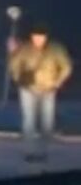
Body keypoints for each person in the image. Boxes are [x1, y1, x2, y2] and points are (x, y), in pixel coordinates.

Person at [8, 23, 72, 162]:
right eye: (36, 37)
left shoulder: (55, 49)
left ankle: (43, 151)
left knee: (47, 121)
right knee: (29, 121)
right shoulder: (25, 49)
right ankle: (29, 151)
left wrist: (57, 82)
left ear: (46, 37)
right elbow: (14, 65)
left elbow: (66, 66)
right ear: (32, 37)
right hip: (28, 89)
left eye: (41, 37)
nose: (38, 39)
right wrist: (19, 79)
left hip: (48, 89)